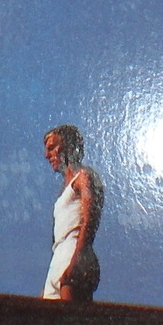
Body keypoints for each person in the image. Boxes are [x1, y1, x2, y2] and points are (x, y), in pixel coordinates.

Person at [41, 125, 103, 301]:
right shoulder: (64, 190)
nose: (47, 155)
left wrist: (79, 256)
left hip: (74, 252)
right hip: (58, 258)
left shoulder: (84, 176)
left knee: (69, 315)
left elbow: (90, 218)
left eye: (52, 148)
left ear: (68, 146)